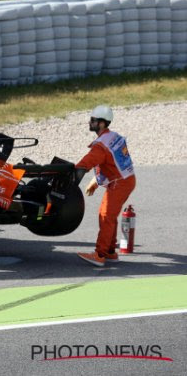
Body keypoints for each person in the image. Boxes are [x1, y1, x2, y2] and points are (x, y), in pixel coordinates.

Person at [76, 105, 136, 267]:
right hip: (125, 179)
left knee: (106, 216)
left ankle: (100, 254)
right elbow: (112, 161)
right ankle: (110, 251)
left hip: (119, 182)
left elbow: (90, 160)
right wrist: (96, 181)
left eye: (93, 120)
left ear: (102, 123)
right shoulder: (113, 136)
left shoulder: (101, 144)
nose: (90, 122)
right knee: (107, 215)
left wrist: (75, 171)